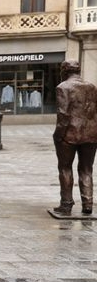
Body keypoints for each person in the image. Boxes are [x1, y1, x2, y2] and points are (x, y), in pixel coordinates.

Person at [53, 59, 97, 216]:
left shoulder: (63, 87)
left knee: (65, 167)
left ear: (64, 70)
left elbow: (63, 114)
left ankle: (66, 204)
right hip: (91, 134)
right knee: (86, 169)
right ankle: (87, 203)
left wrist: (58, 135)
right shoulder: (92, 87)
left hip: (69, 134)